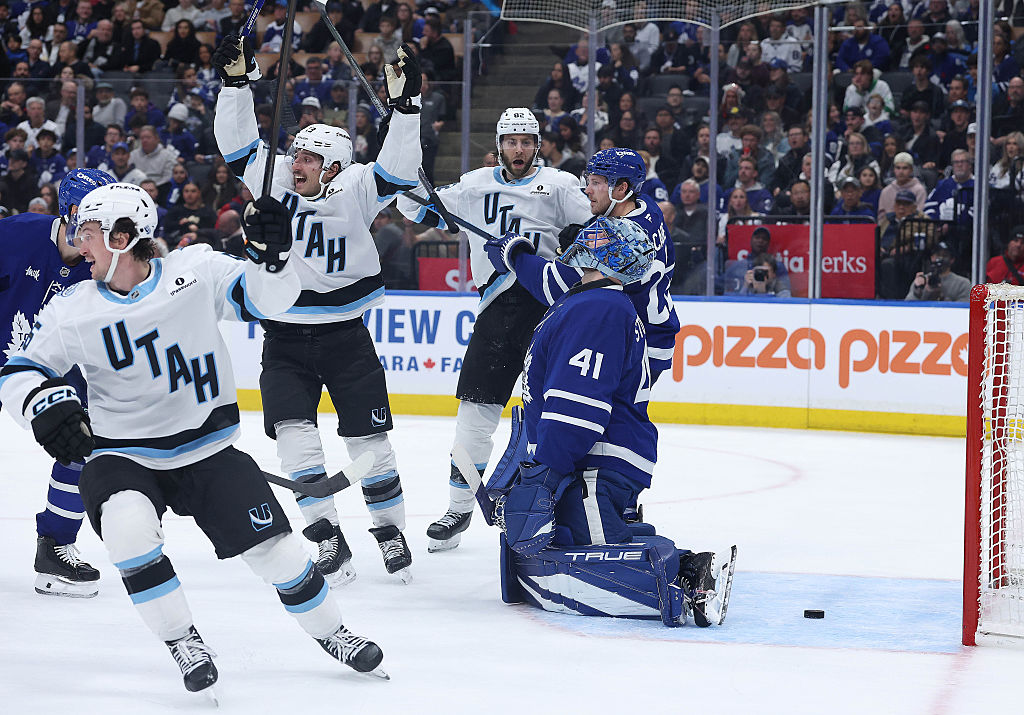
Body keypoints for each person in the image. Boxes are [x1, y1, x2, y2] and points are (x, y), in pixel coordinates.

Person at [0, 180, 388, 693]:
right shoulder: (74, 308)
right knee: (128, 529)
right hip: (123, 457)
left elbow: (268, 300)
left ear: (121, 238)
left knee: (281, 556)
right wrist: (42, 405)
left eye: (88, 232)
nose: (79, 243)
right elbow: (18, 371)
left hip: (207, 451)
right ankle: (183, 639)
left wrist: (274, 260)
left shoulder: (196, 269)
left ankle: (333, 632)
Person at [213, 36, 424, 583]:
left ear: (332, 167)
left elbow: (398, 169)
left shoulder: (355, 186)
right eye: (297, 154)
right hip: (284, 339)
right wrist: (235, 86)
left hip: (346, 336)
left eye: (309, 158)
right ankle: (327, 537)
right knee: (295, 438)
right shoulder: (274, 179)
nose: (296, 163)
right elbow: (235, 142)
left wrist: (407, 110)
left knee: (368, 441)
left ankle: (389, 528)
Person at [477, 216, 735, 627]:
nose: (584, 237)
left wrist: (545, 472)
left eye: (596, 236)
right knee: (567, 539)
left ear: (606, 255)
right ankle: (679, 566)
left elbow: (578, 402)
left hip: (596, 459)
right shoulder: (595, 302)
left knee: (585, 547)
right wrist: (516, 257)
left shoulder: (598, 307)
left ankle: (687, 575)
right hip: (598, 458)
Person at [394, 108, 592, 552]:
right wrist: (407, 178)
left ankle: (563, 505)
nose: (518, 149)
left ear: (537, 144)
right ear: (499, 145)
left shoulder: (560, 184)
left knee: (556, 413)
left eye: (526, 141)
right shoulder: (474, 185)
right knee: (475, 414)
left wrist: (566, 247)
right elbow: (415, 209)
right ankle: (459, 505)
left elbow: (589, 235)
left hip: (552, 306)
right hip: (498, 308)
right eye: (511, 141)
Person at [0, 169, 114, 598]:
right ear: (71, 214)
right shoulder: (16, 236)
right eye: (96, 224)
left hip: (51, 370)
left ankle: (55, 548)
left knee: (82, 441)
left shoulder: (105, 263)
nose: (104, 236)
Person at [906, 242, 970, 301]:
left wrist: (941, 297)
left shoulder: (962, 283)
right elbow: (907, 305)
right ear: (932, 257)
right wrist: (917, 292)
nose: (940, 258)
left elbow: (964, 308)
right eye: (938, 255)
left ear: (952, 260)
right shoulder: (922, 280)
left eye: (945, 255)